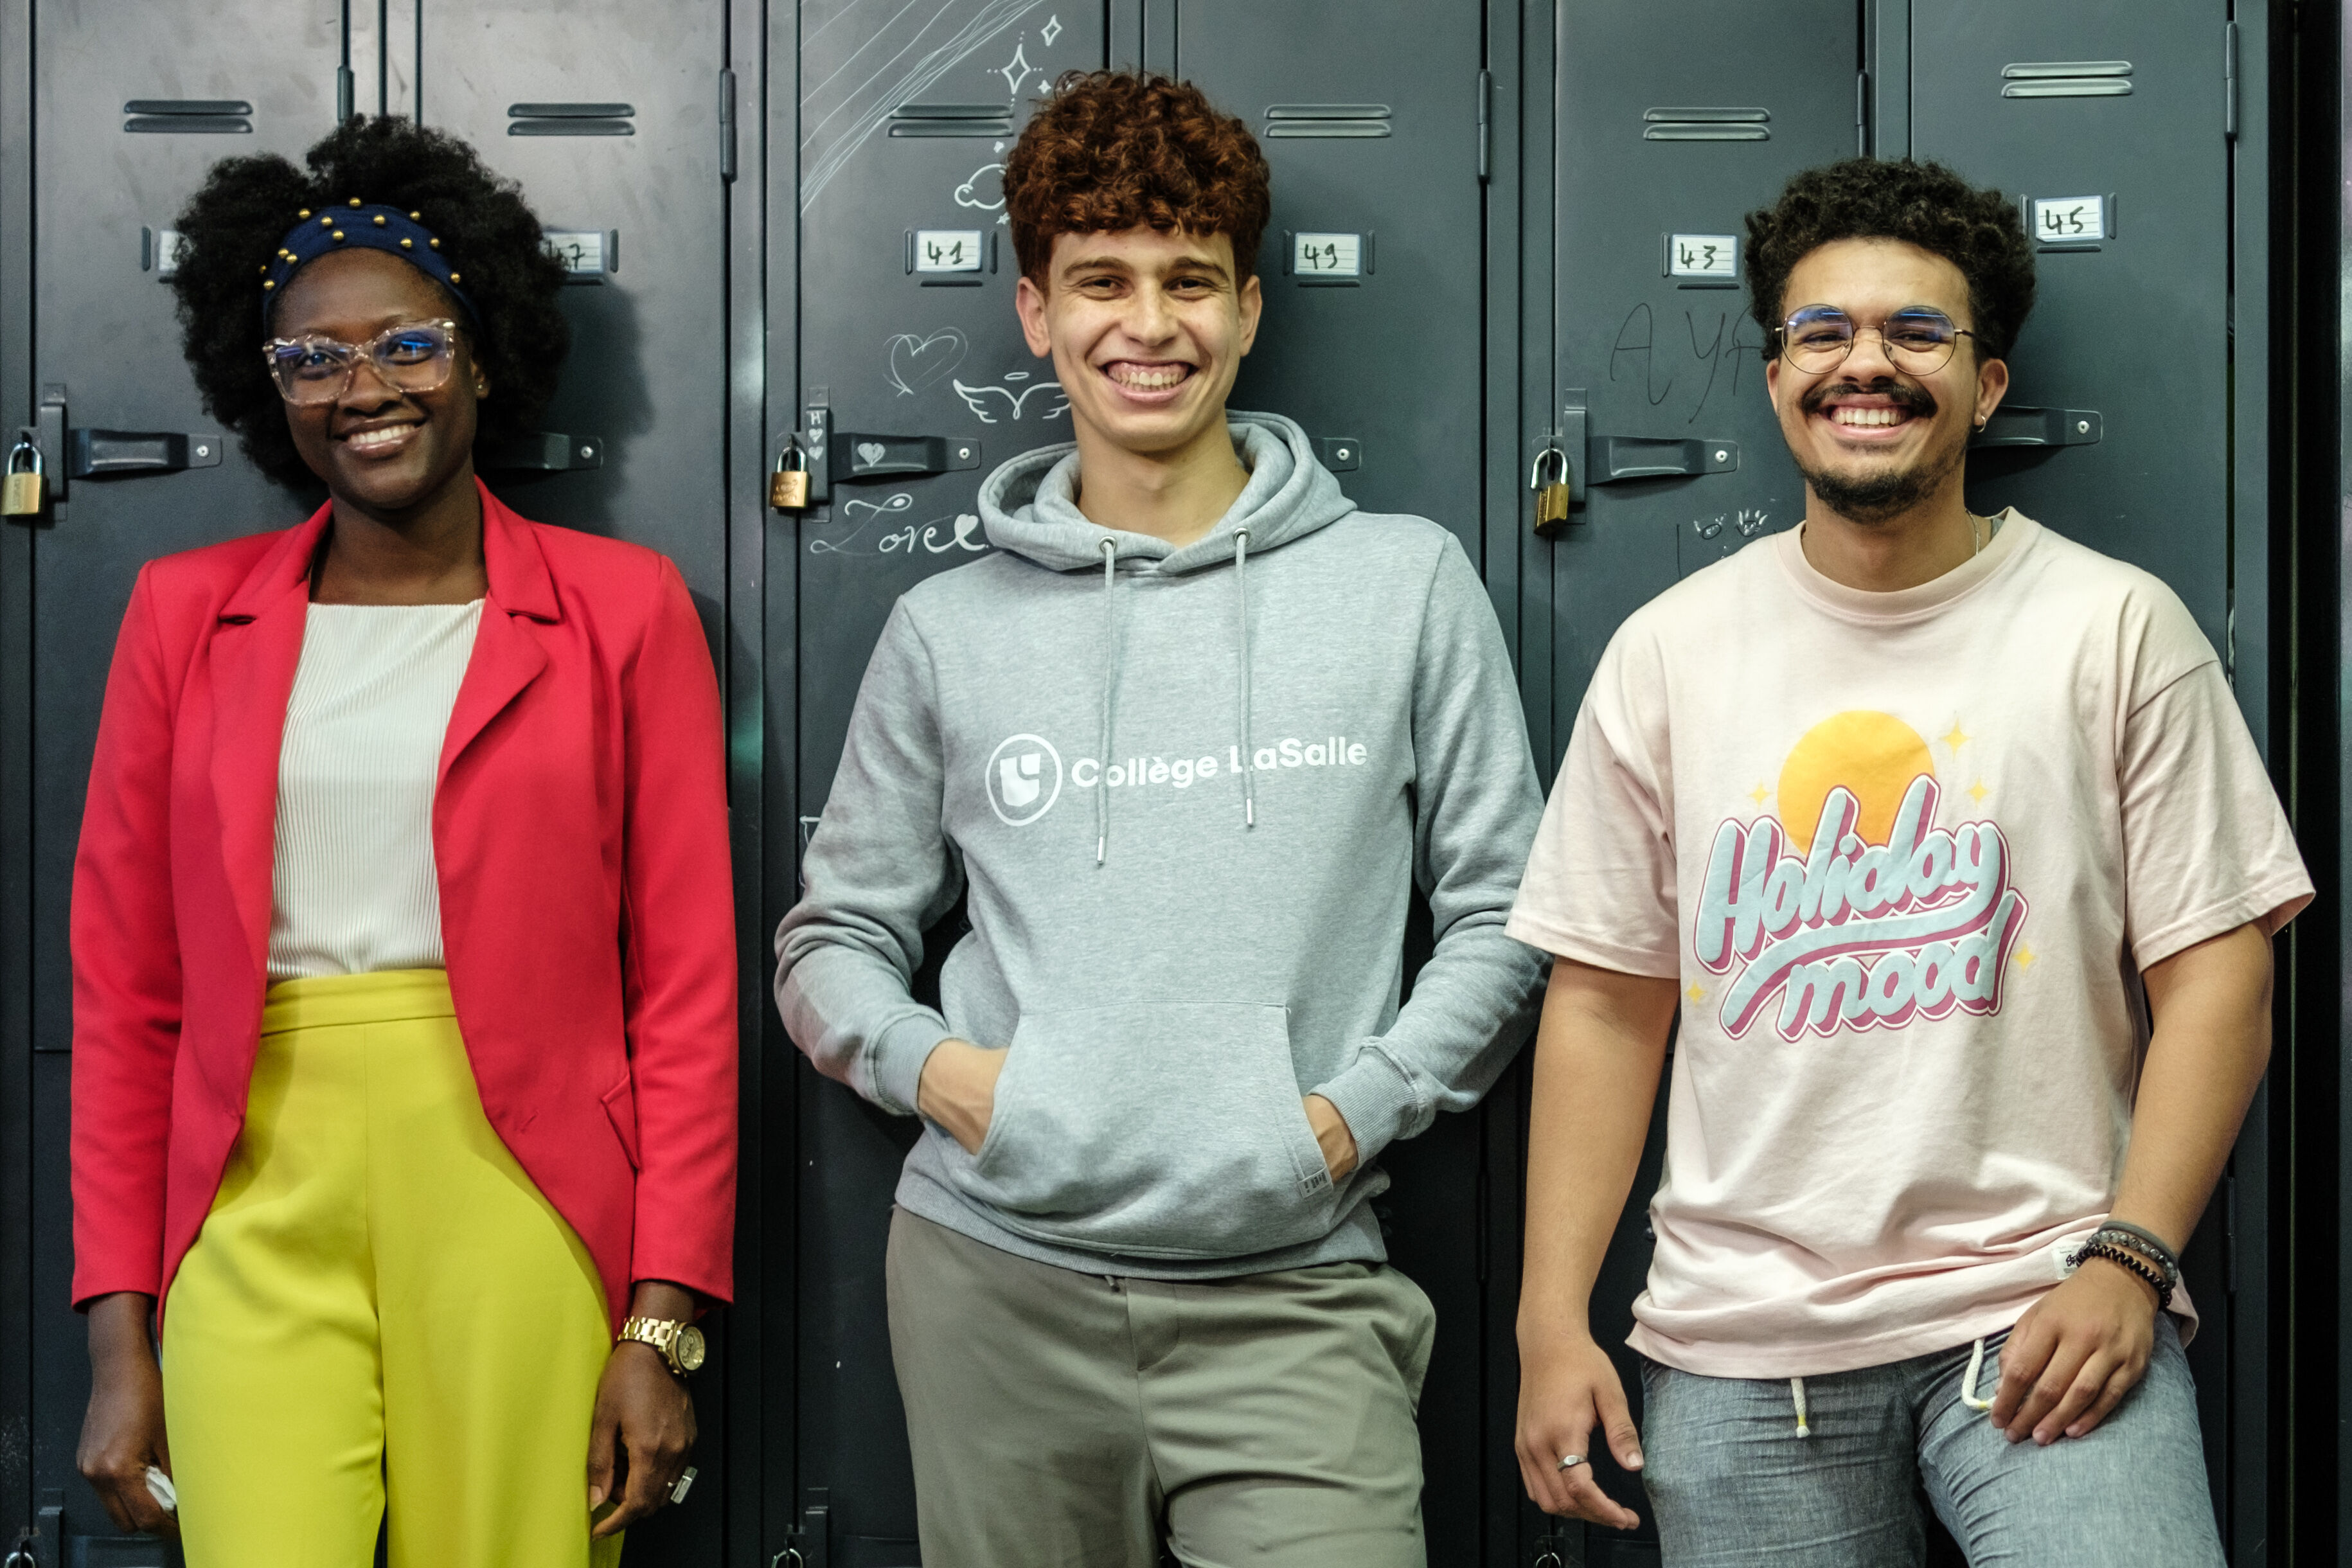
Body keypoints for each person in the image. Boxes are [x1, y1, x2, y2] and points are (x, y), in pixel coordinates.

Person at [776, 69, 1544, 1567]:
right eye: (1101, 282)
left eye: (1189, 281)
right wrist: (946, 1075)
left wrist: (1345, 1116)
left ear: (1249, 310)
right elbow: (833, 936)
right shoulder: (948, 625)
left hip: (1300, 1290)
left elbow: (1510, 910)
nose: (1148, 324)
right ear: (1034, 314)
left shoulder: (1405, 582)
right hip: (996, 1287)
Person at [1506, 156, 2312, 1565]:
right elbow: (1603, 1000)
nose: (1862, 364)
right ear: (1776, 379)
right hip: (1743, 1347)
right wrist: (1548, 1316)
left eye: (1914, 332)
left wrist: (2135, 1254)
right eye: (1822, 332)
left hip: (2046, 1311)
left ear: (1986, 384)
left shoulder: (2115, 628)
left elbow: (2221, 971)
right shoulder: (1670, 653)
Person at [69, 115, 737, 1564]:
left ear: (482, 352)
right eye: (313, 356)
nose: (362, 387)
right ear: (271, 389)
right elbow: (127, 997)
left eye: (408, 344)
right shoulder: (186, 617)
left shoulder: (626, 609)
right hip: (252, 1199)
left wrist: (664, 1321)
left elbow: (683, 990)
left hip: (522, 1193)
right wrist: (123, 1340)